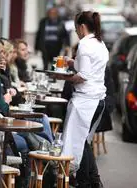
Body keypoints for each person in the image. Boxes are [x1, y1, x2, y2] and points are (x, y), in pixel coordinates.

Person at [53, 11, 108, 188]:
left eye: (77, 28)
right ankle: (93, 180)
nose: (76, 32)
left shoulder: (84, 45)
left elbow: (83, 75)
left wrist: (63, 78)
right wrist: (71, 62)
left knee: (78, 142)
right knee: (83, 141)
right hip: (98, 99)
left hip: (85, 101)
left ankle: (85, 182)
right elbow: (89, 69)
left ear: (82, 27)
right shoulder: (99, 43)